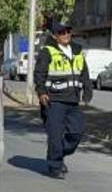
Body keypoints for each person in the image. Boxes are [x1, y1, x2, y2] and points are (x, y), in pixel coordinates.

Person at [33, 22, 93, 179]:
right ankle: (55, 166)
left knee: (76, 133)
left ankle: (57, 153)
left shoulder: (78, 51)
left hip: (73, 100)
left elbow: (84, 73)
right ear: (55, 36)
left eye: (68, 31)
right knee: (55, 135)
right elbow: (39, 73)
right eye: (61, 32)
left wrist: (88, 91)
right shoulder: (48, 52)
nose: (66, 35)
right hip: (54, 100)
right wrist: (41, 92)